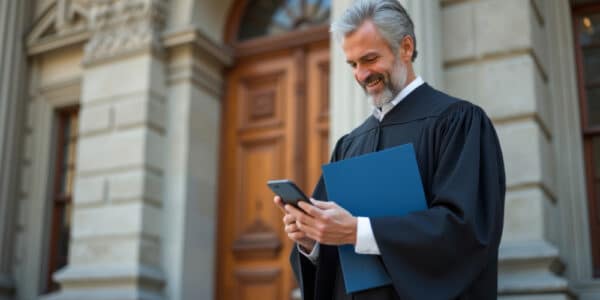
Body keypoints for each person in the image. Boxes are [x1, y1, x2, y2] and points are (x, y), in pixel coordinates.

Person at [273, 0, 506, 299]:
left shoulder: (458, 122)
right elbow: (335, 255)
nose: (360, 74)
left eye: (369, 59)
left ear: (405, 48)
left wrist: (357, 231)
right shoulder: (350, 144)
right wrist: (312, 241)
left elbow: (466, 230)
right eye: (353, 64)